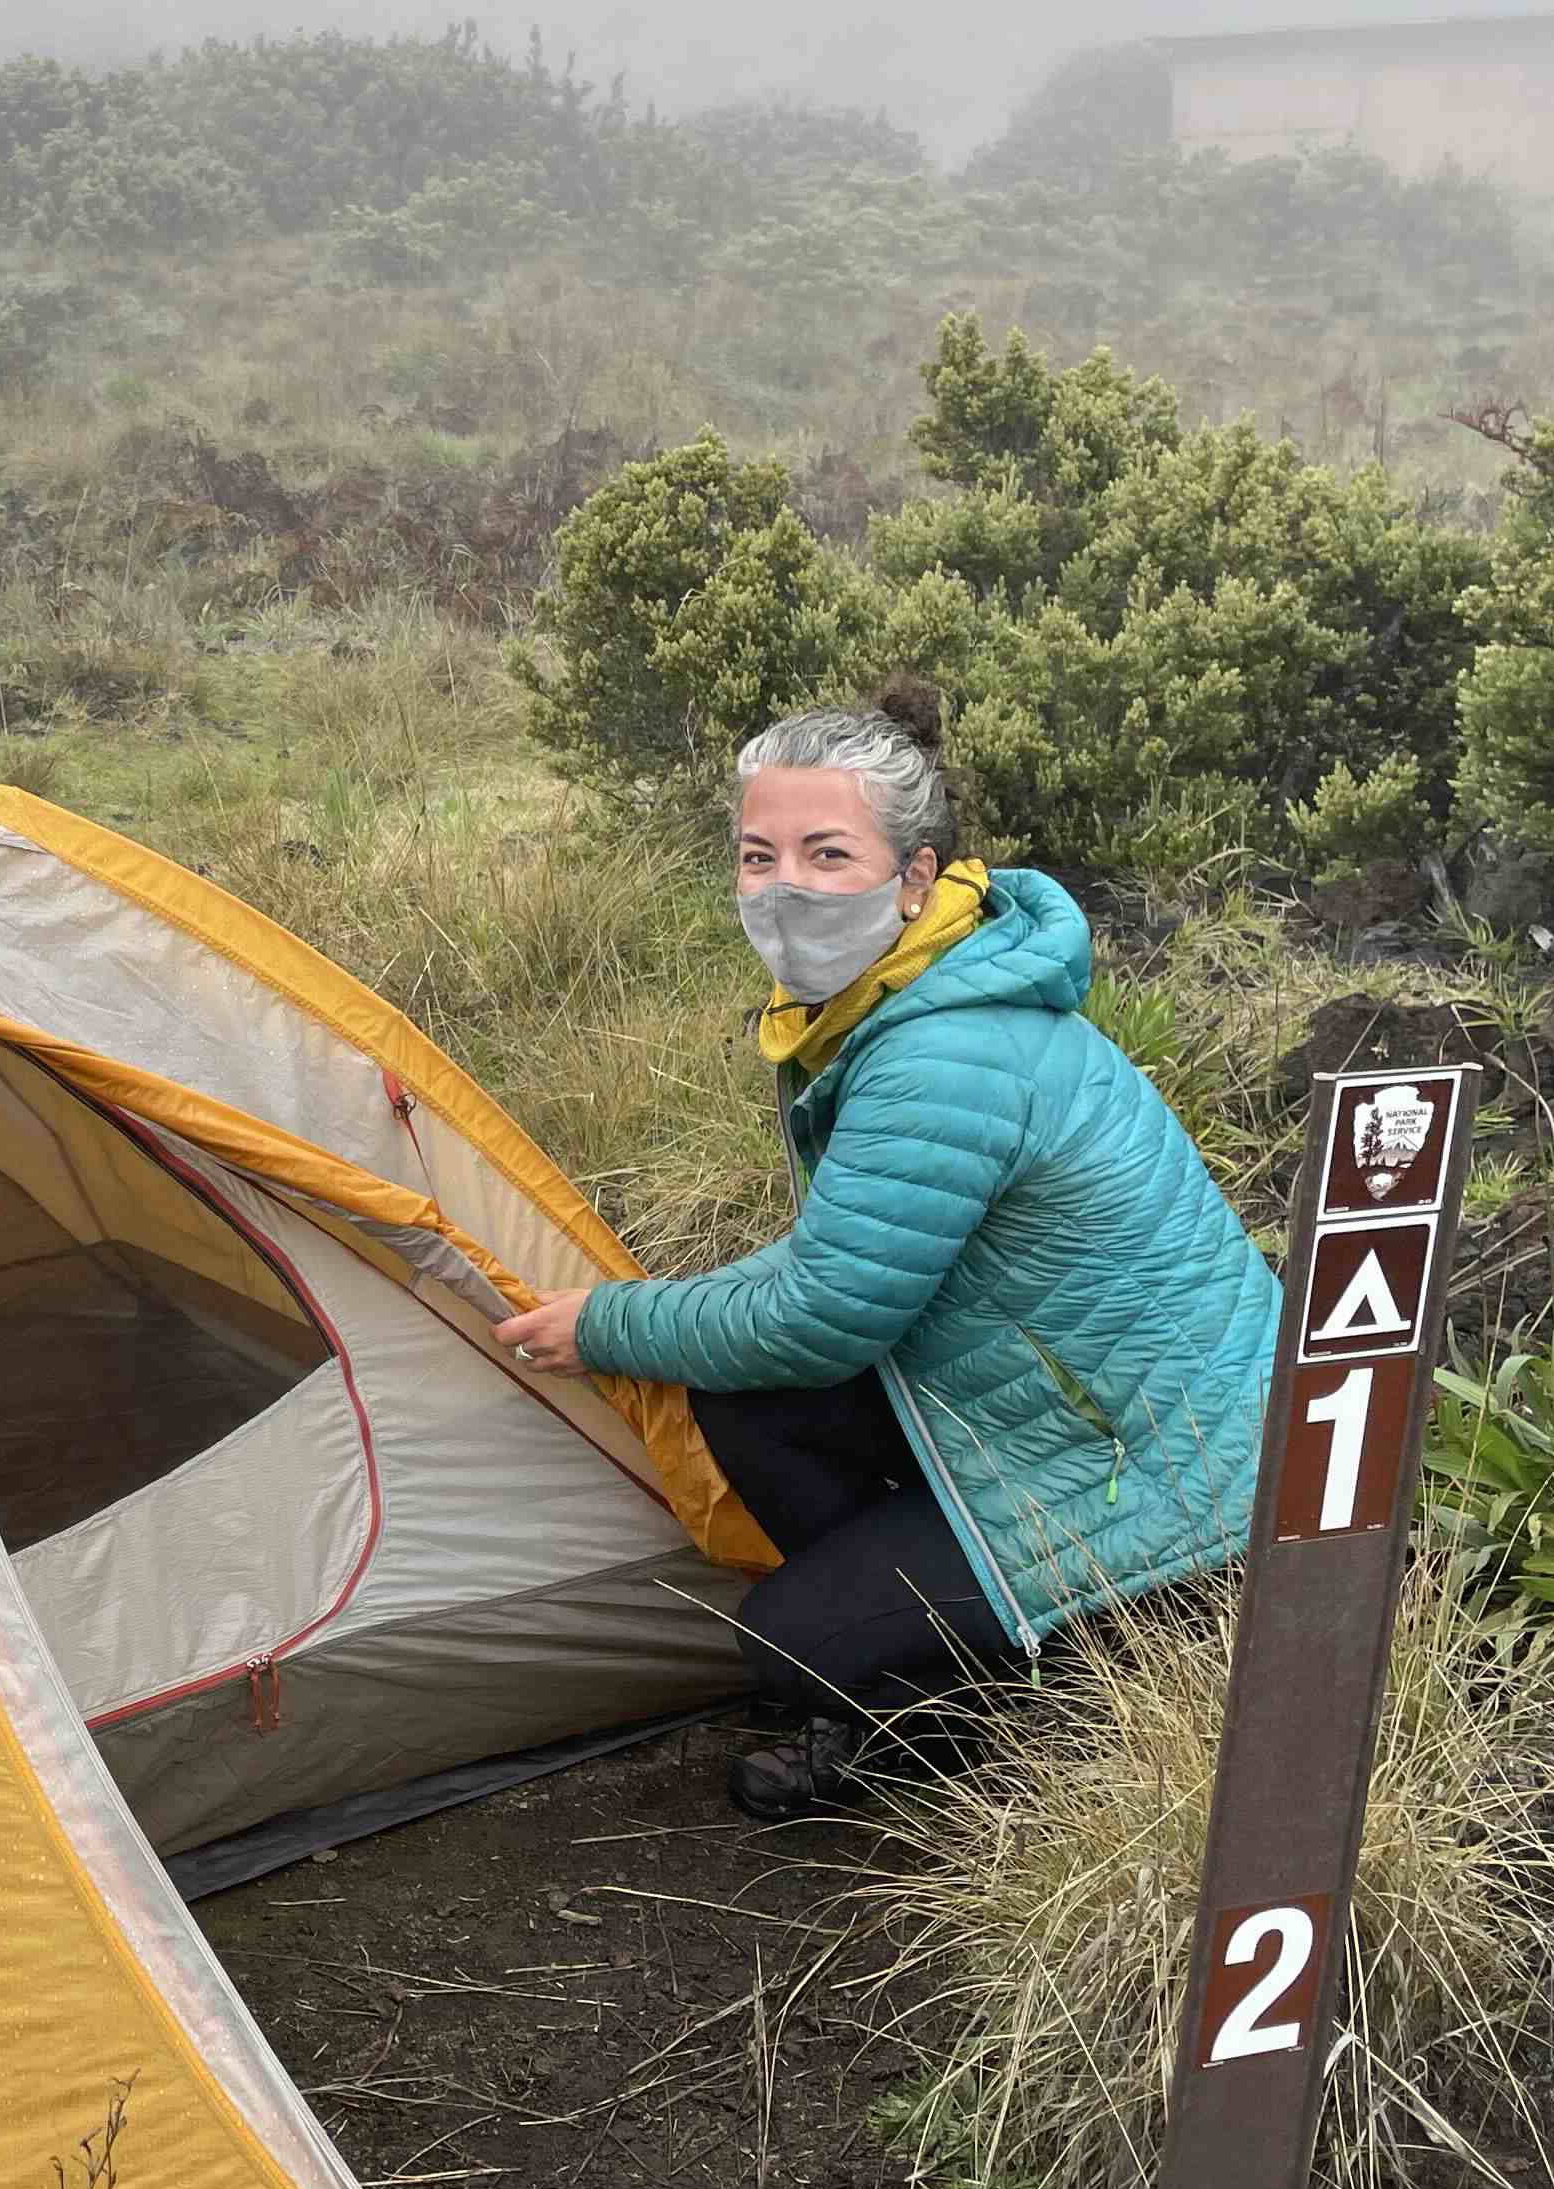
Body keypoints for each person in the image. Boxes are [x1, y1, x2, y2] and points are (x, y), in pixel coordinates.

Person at [494, 681, 1279, 1819]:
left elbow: (825, 1314)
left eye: (827, 854)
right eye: (758, 858)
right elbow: (844, 1265)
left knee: (791, 1648)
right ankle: (930, 1626)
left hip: (1173, 1482)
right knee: (741, 1396)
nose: (786, 891)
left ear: (915, 876)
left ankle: (1025, 1697)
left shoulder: (941, 1054)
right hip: (1071, 1411)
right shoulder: (913, 995)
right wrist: (670, 1317)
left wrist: (607, 1320)